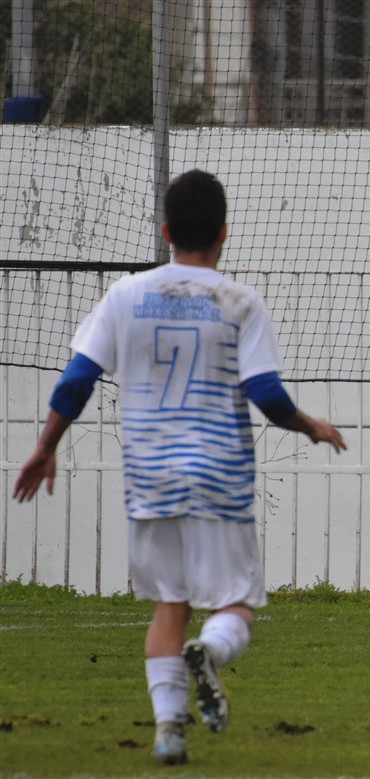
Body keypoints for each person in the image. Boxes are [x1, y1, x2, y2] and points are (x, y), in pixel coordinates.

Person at [11, 169, 347, 764]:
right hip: (220, 477)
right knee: (235, 606)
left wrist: (46, 446)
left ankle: (169, 730)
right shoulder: (239, 302)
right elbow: (266, 394)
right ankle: (209, 653)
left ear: (166, 231)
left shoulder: (125, 296)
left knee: (170, 605)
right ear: (224, 233)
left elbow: (77, 380)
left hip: (152, 479)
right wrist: (311, 426)